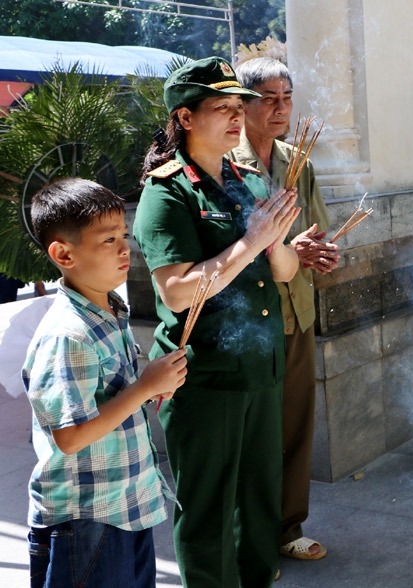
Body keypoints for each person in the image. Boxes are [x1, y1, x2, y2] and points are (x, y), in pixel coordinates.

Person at [133, 56, 300, 587]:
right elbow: (178, 292)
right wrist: (251, 239)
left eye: (238, 106)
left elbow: (287, 268)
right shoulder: (168, 191)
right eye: (221, 108)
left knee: (258, 504)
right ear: (184, 118)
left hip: (261, 367)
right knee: (208, 512)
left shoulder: (248, 180)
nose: (237, 116)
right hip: (206, 376)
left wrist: (276, 241)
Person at [23, 177, 188, 588]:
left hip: (125, 507)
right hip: (85, 520)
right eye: (107, 239)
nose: (123, 248)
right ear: (63, 253)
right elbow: (71, 437)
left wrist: (150, 386)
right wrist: (143, 389)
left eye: (124, 235)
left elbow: (114, 397)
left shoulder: (111, 311)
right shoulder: (68, 334)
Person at [230, 57, 338, 562]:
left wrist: (318, 251)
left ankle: (287, 527)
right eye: (268, 98)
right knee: (253, 431)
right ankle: (249, 539)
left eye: (286, 98)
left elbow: (313, 232)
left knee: (295, 424)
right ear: (243, 103)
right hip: (251, 317)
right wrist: (287, 249)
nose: (280, 108)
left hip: (297, 309)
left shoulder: (299, 161)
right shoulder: (223, 162)